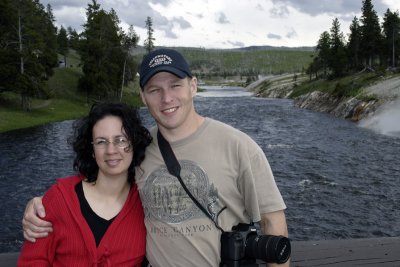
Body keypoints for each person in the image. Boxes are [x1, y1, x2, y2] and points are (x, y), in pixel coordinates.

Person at [22, 49, 289, 267]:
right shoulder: (138, 147)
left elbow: (272, 223)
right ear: (142, 96)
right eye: (154, 90)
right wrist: (41, 204)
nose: (166, 98)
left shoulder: (240, 146)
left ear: (193, 86)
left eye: (175, 85)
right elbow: (102, 178)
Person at [18, 102, 152, 266]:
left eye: (121, 140)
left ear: (134, 144)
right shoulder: (59, 198)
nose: (111, 150)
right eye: (101, 142)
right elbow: (31, 261)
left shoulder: (147, 203)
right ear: (92, 151)